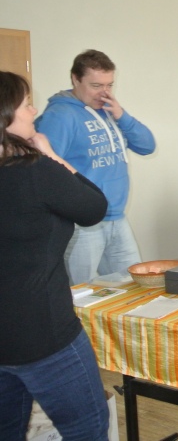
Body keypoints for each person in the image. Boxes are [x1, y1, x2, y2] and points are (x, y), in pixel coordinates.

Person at [0, 71, 110, 441]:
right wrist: (50, 155)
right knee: (87, 429)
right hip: (44, 337)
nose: (34, 111)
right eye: (26, 105)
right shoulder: (35, 171)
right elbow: (93, 207)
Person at [35, 50, 156, 284]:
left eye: (109, 85)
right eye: (96, 85)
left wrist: (121, 115)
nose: (104, 92)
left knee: (135, 285)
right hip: (82, 223)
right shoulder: (60, 115)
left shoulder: (108, 111)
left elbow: (147, 146)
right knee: (81, 292)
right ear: (75, 79)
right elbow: (46, 169)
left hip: (116, 217)